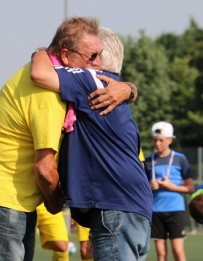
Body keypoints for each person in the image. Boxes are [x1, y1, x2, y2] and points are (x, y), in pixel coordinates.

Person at [0, 17, 134, 261]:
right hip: (2, 195)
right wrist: (56, 202)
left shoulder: (52, 73)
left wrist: (129, 88)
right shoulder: (48, 98)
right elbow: (45, 169)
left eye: (99, 54)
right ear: (65, 56)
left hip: (13, 194)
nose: (97, 63)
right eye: (92, 56)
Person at [30, 27, 152, 260]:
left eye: (91, 53)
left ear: (98, 60)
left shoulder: (90, 81)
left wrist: (42, 51)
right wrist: (131, 89)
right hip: (132, 205)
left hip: (115, 205)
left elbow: (39, 73)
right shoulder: (112, 87)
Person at [145, 122, 194, 261]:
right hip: (155, 210)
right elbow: (141, 188)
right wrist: (149, 185)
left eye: (161, 140)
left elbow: (190, 188)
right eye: (155, 140)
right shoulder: (149, 160)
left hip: (175, 210)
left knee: (177, 251)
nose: (157, 143)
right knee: (161, 253)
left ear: (170, 140)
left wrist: (170, 187)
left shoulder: (180, 159)